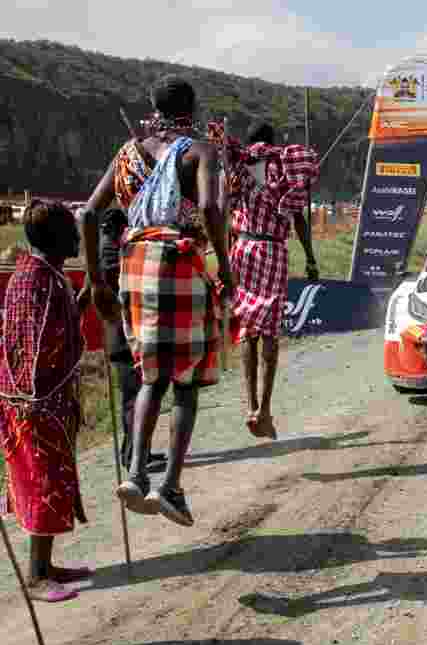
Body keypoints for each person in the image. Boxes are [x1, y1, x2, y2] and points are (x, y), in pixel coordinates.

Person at [79, 75, 234, 527]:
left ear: (154, 107)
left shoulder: (129, 153)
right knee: (185, 381)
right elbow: (209, 209)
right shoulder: (200, 151)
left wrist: (96, 280)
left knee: (151, 375)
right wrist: (224, 264)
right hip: (181, 262)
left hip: (135, 267)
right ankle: (169, 486)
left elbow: (88, 212)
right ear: (193, 106)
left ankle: (133, 474)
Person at [0, 201, 93, 602]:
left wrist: (84, 299)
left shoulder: (38, 275)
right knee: (43, 483)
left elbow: (54, 329)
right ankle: (36, 578)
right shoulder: (39, 281)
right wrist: (40, 400)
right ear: (56, 239)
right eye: (72, 232)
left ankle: (47, 566)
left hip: (40, 400)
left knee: (50, 480)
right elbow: (37, 346)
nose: (78, 238)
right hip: (35, 404)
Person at [218, 120, 319, 439]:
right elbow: (298, 218)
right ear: (272, 142)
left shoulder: (237, 167)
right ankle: (265, 408)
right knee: (271, 331)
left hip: (243, 247)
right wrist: (311, 257)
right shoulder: (282, 166)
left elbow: (223, 212)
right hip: (273, 250)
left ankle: (250, 404)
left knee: (248, 328)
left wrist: (224, 256)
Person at [80, 208, 167, 471]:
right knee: (134, 399)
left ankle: (138, 452)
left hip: (119, 336)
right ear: (120, 228)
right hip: (122, 337)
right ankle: (134, 457)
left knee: (136, 397)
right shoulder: (110, 252)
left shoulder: (101, 253)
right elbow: (116, 281)